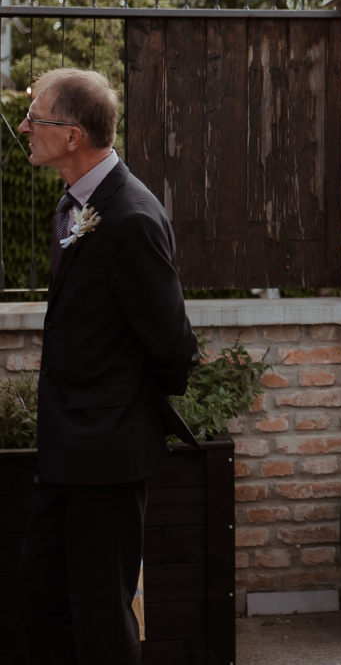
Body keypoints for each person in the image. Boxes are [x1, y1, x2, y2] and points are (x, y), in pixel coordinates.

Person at [15, 68, 200, 664]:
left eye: (35, 119)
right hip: (65, 443)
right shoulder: (76, 204)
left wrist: (119, 405)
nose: (24, 127)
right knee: (42, 590)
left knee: (101, 611)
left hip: (107, 449)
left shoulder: (131, 217)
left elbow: (174, 346)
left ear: (73, 136)